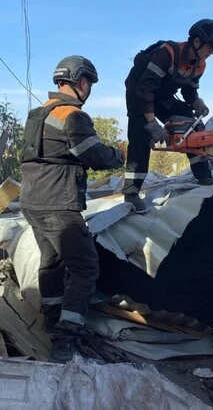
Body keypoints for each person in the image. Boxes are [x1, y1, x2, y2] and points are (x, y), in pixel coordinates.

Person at [19, 55, 125, 363]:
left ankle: (51, 317)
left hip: (32, 202)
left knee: (51, 263)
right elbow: (92, 155)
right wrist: (118, 155)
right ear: (82, 83)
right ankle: (66, 337)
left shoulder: (37, 114)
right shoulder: (73, 116)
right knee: (85, 267)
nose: (88, 89)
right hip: (58, 204)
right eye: (89, 84)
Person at [122, 19, 213, 212]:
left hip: (163, 95)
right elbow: (146, 90)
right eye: (210, 47)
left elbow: (189, 89)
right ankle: (131, 191)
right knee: (140, 137)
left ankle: (203, 174)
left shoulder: (200, 65)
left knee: (188, 121)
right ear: (196, 41)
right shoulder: (167, 54)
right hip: (139, 92)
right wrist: (152, 123)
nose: (212, 52)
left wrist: (196, 102)